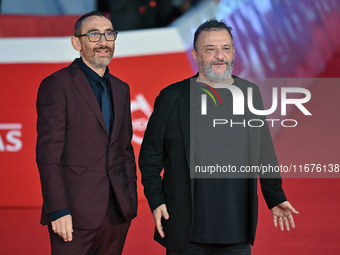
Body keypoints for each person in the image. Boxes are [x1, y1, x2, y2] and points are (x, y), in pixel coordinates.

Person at [139, 19, 298, 254]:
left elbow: (264, 153)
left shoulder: (249, 94)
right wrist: (156, 200)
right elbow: (149, 159)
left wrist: (274, 195)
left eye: (225, 48)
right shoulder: (172, 98)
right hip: (186, 231)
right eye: (210, 49)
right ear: (195, 54)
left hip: (236, 231)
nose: (219, 56)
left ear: (233, 51)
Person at [36, 11, 137, 255]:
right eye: (94, 35)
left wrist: (129, 198)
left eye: (109, 34)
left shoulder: (121, 88)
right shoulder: (57, 84)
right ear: (76, 43)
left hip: (117, 213)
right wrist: (57, 209)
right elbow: (48, 156)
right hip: (73, 215)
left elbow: (123, 148)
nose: (103, 42)